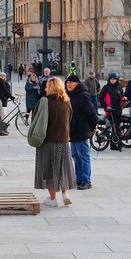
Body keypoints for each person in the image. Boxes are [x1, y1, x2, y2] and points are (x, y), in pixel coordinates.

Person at [35, 77, 77, 207]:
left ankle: (53, 198)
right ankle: (65, 193)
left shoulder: (45, 101)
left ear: (52, 87)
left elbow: (36, 118)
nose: (45, 88)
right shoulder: (67, 102)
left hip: (48, 141)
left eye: (47, 86)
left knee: (48, 170)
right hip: (63, 141)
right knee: (63, 168)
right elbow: (69, 119)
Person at [66, 74, 98, 190]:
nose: (68, 84)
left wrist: (93, 126)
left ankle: (86, 180)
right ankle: (78, 178)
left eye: (71, 83)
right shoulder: (70, 95)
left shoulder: (83, 96)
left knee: (83, 156)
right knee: (75, 156)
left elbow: (91, 113)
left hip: (82, 129)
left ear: (77, 84)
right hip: (73, 130)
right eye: (67, 83)